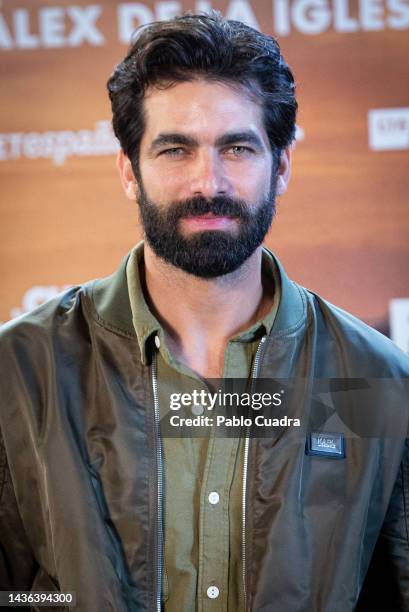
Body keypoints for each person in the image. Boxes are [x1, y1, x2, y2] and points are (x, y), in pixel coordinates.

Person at [0, 11, 408, 612]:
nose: (207, 181)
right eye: (174, 149)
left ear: (282, 166)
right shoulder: (20, 369)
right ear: (129, 172)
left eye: (237, 147)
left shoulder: (375, 378)